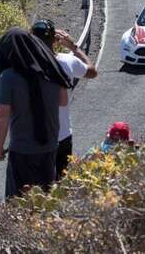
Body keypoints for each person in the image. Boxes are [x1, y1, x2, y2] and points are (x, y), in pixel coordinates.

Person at [0, 28, 72, 198]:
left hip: (22, 150)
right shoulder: (51, 69)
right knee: (45, 198)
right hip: (49, 145)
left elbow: (2, 116)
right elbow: (63, 101)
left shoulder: (8, 77)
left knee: (18, 202)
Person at [31, 19, 98, 180]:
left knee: (37, 188)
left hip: (34, 137)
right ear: (55, 39)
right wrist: (73, 47)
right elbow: (92, 71)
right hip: (62, 134)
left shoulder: (25, 65)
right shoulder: (67, 61)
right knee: (62, 183)